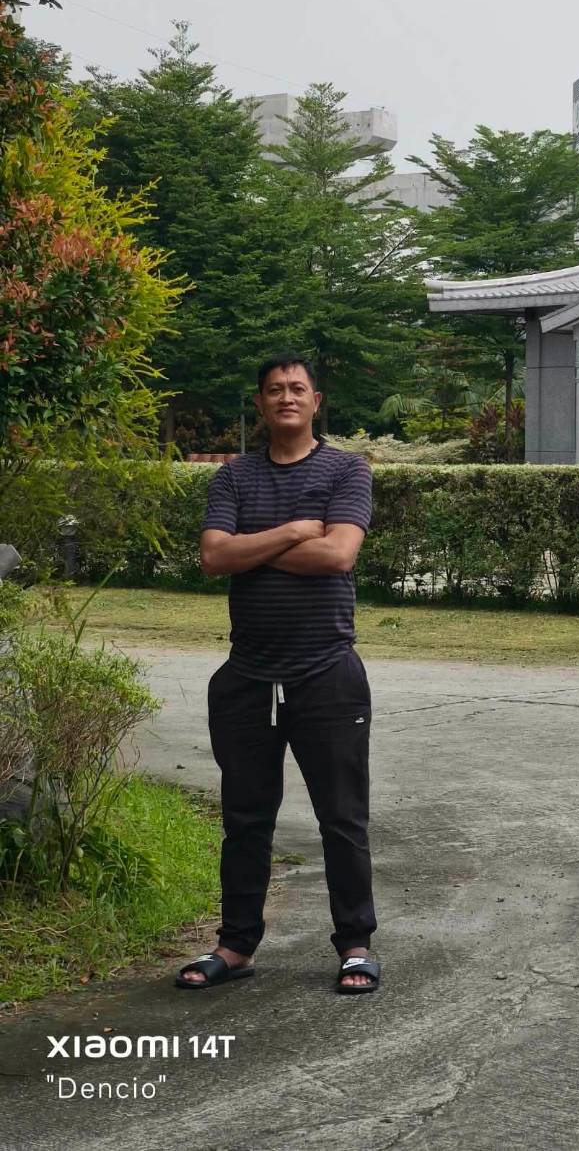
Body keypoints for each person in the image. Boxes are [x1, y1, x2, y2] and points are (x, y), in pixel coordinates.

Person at [174, 353, 379, 995]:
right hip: (247, 677)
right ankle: (235, 947)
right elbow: (212, 556)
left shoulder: (348, 469)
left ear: (317, 401)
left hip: (327, 673)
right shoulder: (233, 477)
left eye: (297, 389)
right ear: (260, 405)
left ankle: (354, 944)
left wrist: (250, 550)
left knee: (341, 818)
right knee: (245, 817)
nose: (285, 398)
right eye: (273, 390)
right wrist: (292, 531)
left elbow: (339, 554)